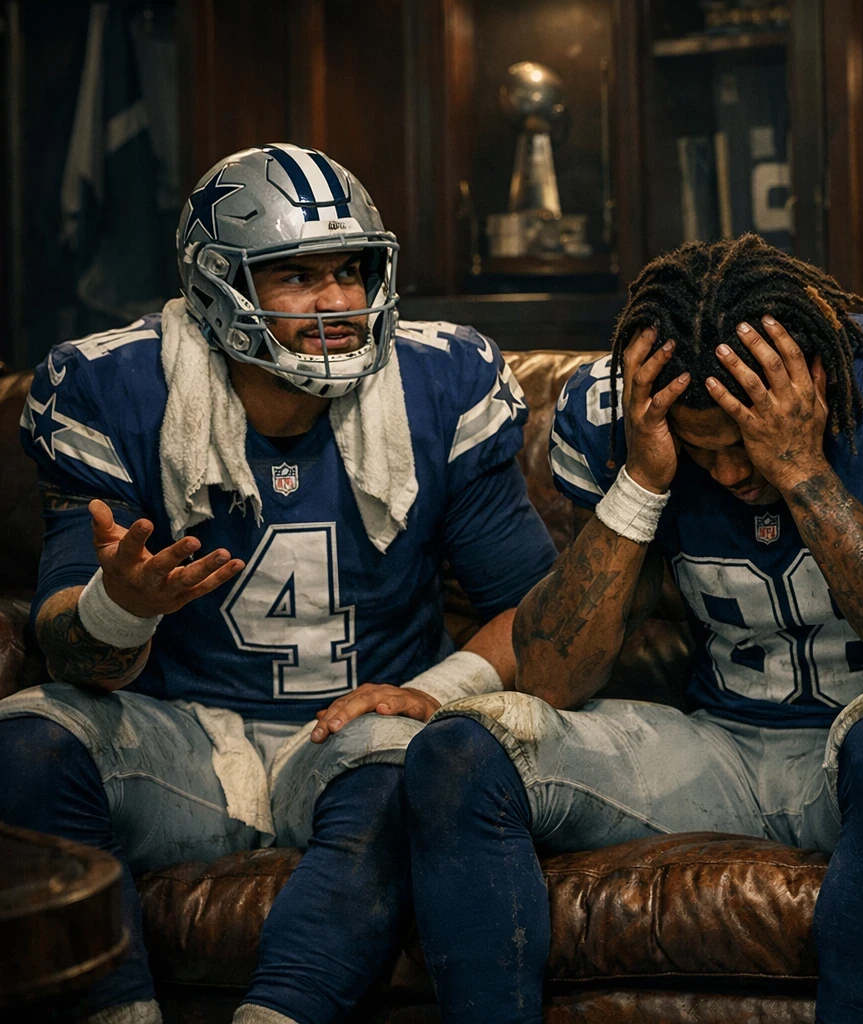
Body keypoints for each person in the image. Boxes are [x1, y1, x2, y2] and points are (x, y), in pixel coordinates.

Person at [403, 234, 863, 1022]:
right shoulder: (616, 415)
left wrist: (801, 469)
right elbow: (553, 679)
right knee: (461, 753)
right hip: (725, 743)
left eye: (746, 444)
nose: (734, 473)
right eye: (709, 451)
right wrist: (643, 478)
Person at [0, 145, 556, 1024]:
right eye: (295, 276)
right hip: (181, 732)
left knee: (403, 768)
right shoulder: (110, 387)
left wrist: (429, 693)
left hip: (356, 735)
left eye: (351, 270)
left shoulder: (442, 380)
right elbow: (68, 645)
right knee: (22, 740)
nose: (338, 303)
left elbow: (538, 618)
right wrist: (121, 606)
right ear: (216, 286)